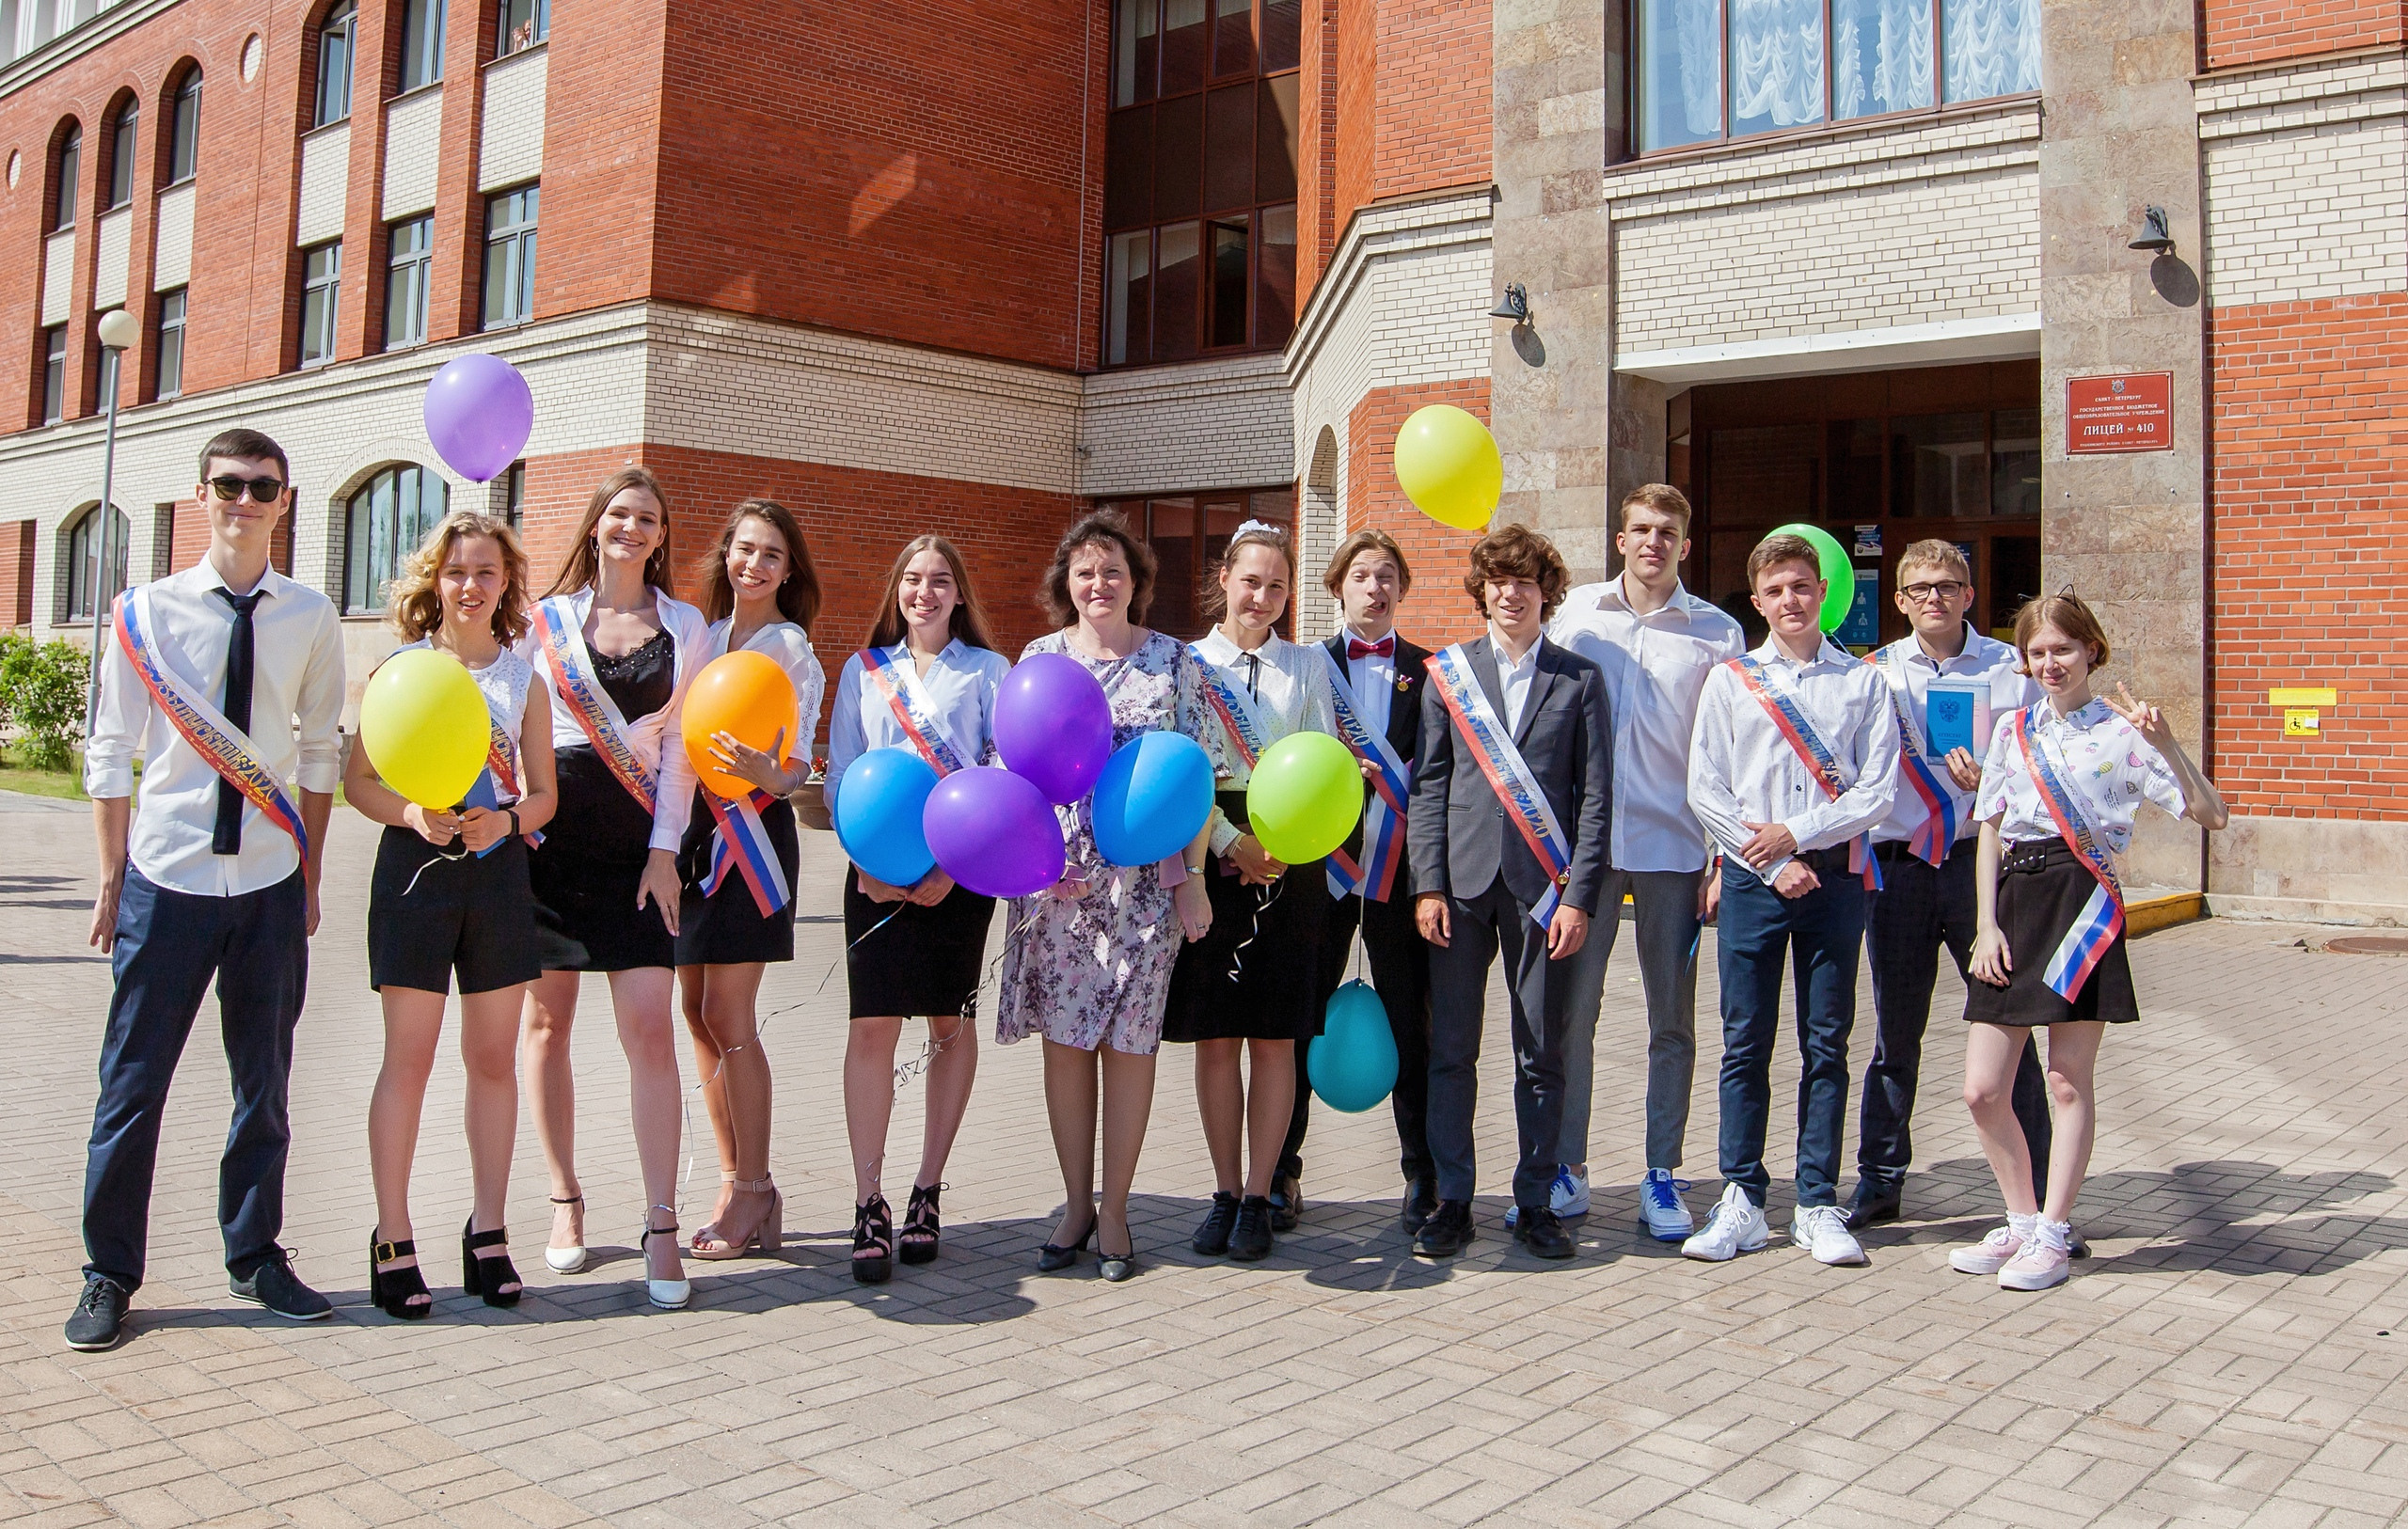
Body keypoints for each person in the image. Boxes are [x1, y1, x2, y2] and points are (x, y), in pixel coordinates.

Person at [69, 428, 344, 1351]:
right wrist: (111, 882)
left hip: (266, 883)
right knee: (132, 1086)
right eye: (228, 484)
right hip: (168, 876)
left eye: (261, 486)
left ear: (284, 500)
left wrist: (308, 879)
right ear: (200, 495)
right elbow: (109, 755)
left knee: (263, 1085)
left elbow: (317, 753)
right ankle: (108, 1273)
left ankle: (255, 1252)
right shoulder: (145, 613)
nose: (244, 499)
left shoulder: (309, 615)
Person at [1956, 591, 2226, 1290]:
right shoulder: (2012, 730)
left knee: (2066, 1082)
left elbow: (2211, 815)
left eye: (2063, 650)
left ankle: (2052, 1231)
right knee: (1983, 1089)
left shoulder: (2127, 732)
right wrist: (1985, 923)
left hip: (2082, 904)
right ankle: (2019, 1221)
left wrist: (2167, 744)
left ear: (2092, 652)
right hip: (2015, 902)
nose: (2050, 663)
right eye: (2037, 652)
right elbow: (1991, 826)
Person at [345, 512, 557, 1318]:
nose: (472, 586)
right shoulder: (400, 671)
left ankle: (490, 1234)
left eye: (488, 573)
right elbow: (359, 781)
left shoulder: (522, 681)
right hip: (415, 875)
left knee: (494, 1060)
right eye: (458, 571)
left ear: (507, 585)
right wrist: (408, 815)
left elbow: (545, 793)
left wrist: (511, 820)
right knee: (410, 1058)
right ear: (436, 579)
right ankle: (393, 1238)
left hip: (498, 874)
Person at [995, 512, 1216, 1283]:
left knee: (1130, 1047)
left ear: (1136, 582)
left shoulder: (1173, 661)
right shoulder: (1038, 658)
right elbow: (1014, 776)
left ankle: (1116, 1206)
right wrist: (1032, 870)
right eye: (1085, 571)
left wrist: (1185, 881)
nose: (1099, 583)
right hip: (1060, 889)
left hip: (1146, 894)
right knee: (1066, 1046)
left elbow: (1197, 779)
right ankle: (1074, 1204)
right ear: (1067, 583)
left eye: (1113, 570)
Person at [517, 465, 710, 1310]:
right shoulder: (546, 621)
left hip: (638, 850)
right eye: (620, 514)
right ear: (596, 525)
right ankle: (565, 1200)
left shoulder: (688, 626)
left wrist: (666, 851)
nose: (633, 527)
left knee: (650, 1030)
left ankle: (661, 1223)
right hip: (552, 841)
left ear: (662, 537)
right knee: (545, 1023)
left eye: (649, 518)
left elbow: (684, 755)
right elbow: (515, 726)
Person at [1683, 532, 1899, 1269]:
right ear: (1758, 600)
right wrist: (1772, 863)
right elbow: (1705, 789)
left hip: (1833, 878)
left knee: (1826, 1043)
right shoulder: (1731, 680)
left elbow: (1877, 791)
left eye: (1802, 586)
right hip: (1752, 880)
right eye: (1775, 590)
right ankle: (1741, 1196)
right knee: (1744, 1042)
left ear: (1822, 592)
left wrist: (1798, 836)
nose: (1790, 601)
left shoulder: (1863, 682)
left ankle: (1814, 1200)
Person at [1407, 523, 1612, 1263]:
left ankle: (1535, 1202)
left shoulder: (1580, 679)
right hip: (1459, 888)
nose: (1509, 593)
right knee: (1452, 1050)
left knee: (1541, 1052)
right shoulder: (1448, 674)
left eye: (1524, 581)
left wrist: (1582, 896)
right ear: (1482, 591)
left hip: (1543, 892)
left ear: (1545, 592)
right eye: (1497, 581)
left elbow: (1595, 798)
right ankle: (1453, 1201)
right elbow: (1428, 786)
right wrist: (1426, 884)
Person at [1545, 484, 1745, 1241]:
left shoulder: (1717, 633)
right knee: (1573, 1016)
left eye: (1667, 531)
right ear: (1620, 539)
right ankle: (1568, 1167)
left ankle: (1662, 1174)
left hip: (1676, 852)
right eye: (1639, 529)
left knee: (1672, 1022)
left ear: (1685, 546)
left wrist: (1723, 857)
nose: (1652, 542)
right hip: (1587, 855)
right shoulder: (1577, 618)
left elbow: (1728, 751)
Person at [1847, 540, 2055, 1237]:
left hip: (1983, 871)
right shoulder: (1874, 675)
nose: (1934, 597)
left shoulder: (2013, 671)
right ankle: (1880, 1181)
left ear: (1970, 594)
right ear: (1900, 601)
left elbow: (2043, 772)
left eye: (1949, 585)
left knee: (2009, 1032)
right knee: (1894, 1032)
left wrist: (1992, 784)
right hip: (1901, 869)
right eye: (1920, 588)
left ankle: (2040, 1195)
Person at [825, 535, 1007, 1283]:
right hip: (873, 876)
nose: (925, 592)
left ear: (960, 593)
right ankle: (868, 1199)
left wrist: (953, 870)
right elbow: (838, 775)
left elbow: (1002, 773)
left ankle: (927, 1187)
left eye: (940, 581)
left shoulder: (991, 671)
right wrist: (867, 863)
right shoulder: (863, 672)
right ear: (896, 590)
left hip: (958, 880)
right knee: (871, 1026)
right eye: (912, 579)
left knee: (947, 1025)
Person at [1164, 522, 1334, 1263]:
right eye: (1250, 580)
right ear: (1224, 580)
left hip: (1292, 862)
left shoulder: (1308, 666)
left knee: (1274, 1039)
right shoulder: (1187, 663)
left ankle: (1263, 1194)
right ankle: (1225, 1191)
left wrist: (1286, 848)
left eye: (1276, 585)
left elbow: (1324, 763)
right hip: (1213, 852)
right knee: (1216, 1039)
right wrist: (1233, 844)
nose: (1261, 597)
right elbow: (1178, 772)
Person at [673, 499, 826, 1264]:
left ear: (788, 569)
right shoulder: (700, 636)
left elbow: (799, 758)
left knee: (731, 1012)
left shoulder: (788, 646)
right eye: (744, 549)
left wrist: (776, 772)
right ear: (725, 556)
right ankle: (734, 1179)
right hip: (697, 835)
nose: (754, 564)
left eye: (771, 554)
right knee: (695, 1010)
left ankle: (758, 1186)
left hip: (754, 834)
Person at [1278, 528, 1435, 1234]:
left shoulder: (1433, 672)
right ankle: (1280, 1171)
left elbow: (1438, 779)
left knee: (1412, 1022)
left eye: (1388, 577)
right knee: (1301, 1015)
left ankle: (1422, 1174)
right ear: (1337, 586)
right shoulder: (1307, 668)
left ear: (1402, 589)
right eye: (1362, 576)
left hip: (1401, 875)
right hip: (1325, 871)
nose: (1375, 588)